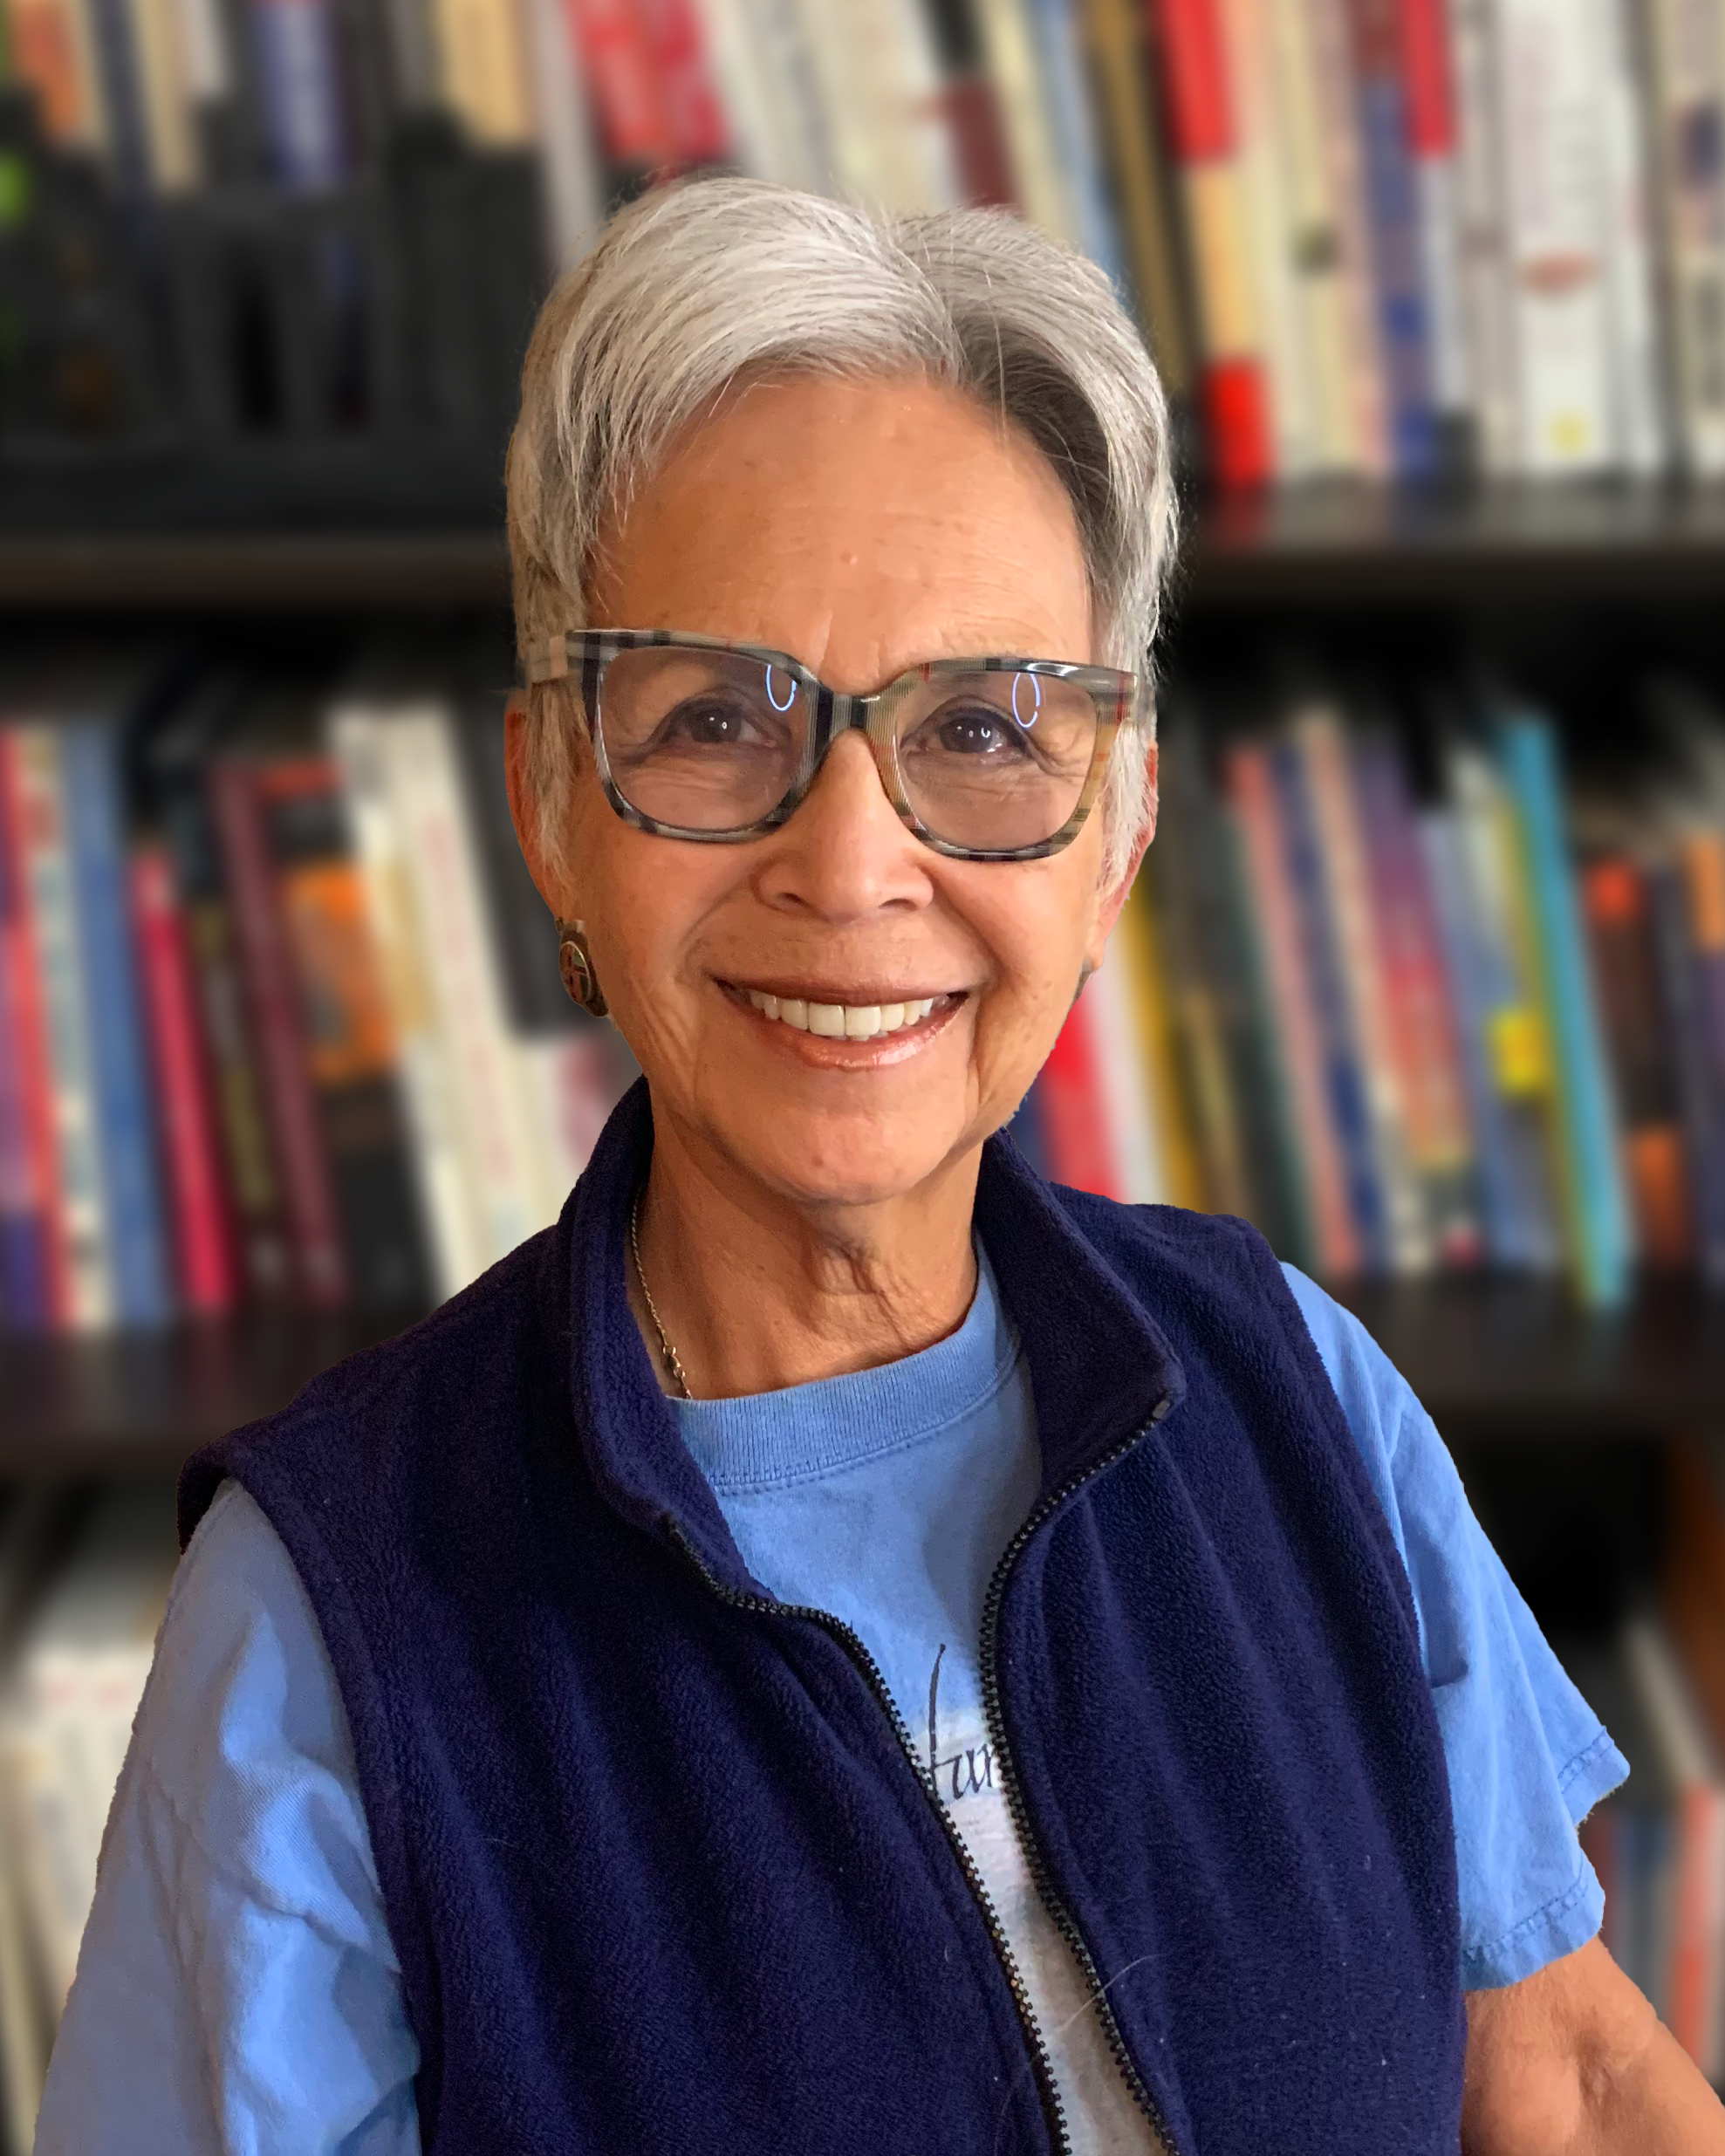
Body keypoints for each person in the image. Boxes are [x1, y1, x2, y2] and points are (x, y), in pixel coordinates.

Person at [38, 180, 1725, 2156]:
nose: (849, 867)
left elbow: (1568, 2071)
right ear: (551, 808)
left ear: (1116, 827)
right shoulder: (320, 1627)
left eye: (987, 731)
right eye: (713, 720)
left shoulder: (1302, 1386)